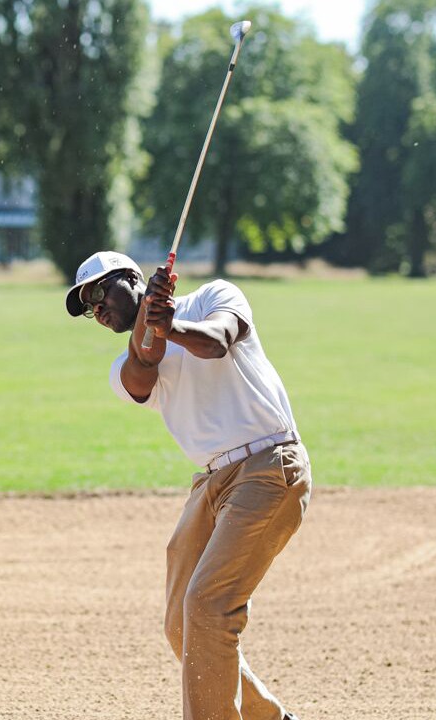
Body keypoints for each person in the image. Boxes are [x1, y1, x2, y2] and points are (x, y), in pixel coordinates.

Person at [65, 251, 311, 720]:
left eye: (100, 291)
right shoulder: (123, 365)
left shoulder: (216, 296)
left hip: (269, 464)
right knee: (182, 621)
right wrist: (154, 331)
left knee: (207, 605)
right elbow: (143, 369)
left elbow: (217, 341)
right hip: (212, 483)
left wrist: (172, 324)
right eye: (86, 306)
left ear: (134, 279)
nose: (96, 308)